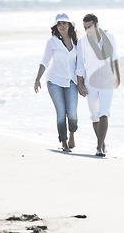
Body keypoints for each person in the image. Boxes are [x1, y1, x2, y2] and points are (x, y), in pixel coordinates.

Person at [76, 13, 120, 157]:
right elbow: (80, 65)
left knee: (104, 113)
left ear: (97, 25)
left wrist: (118, 76)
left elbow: (114, 57)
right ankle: (102, 143)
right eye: (85, 27)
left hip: (106, 81)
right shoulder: (82, 42)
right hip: (91, 83)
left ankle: (99, 147)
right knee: (95, 116)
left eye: (89, 27)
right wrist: (80, 84)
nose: (87, 29)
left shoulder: (110, 37)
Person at [34, 13, 79, 152]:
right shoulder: (52, 41)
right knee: (61, 113)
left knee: (72, 113)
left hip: (72, 81)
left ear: (69, 25)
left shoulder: (77, 41)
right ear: (56, 26)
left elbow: (82, 64)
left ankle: (72, 134)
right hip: (54, 81)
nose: (62, 26)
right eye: (59, 23)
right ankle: (64, 142)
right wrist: (37, 79)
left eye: (64, 23)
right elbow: (45, 61)